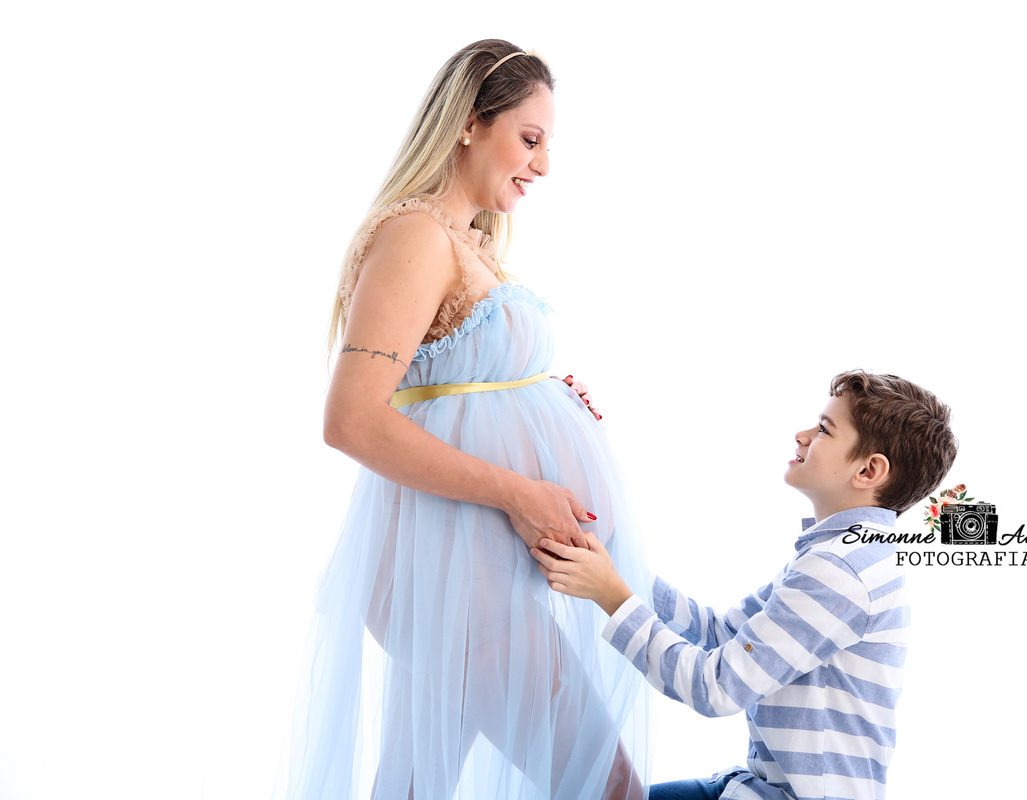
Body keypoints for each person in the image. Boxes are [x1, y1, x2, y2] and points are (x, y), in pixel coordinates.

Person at [278, 39, 651, 800]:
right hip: (453, 574)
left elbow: (449, 389)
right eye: (530, 138)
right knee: (609, 788)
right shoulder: (415, 236)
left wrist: (542, 399)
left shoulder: (467, 240)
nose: (543, 164)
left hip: (465, 568)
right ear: (469, 124)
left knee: (417, 786)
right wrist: (521, 489)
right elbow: (351, 419)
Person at [532, 370, 959, 800]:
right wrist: (612, 556)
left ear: (868, 470)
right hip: (753, 787)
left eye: (824, 429)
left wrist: (610, 594)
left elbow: (715, 688)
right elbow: (720, 632)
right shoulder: (844, 554)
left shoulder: (841, 571)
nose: (802, 435)